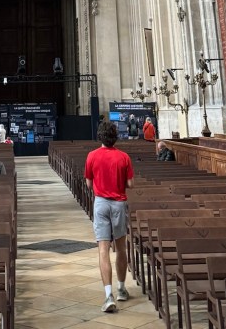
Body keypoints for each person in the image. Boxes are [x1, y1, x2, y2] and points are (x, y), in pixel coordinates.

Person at [84, 119, 134, 314]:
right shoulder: (123, 157)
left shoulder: (92, 156)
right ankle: (121, 289)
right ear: (115, 137)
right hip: (118, 203)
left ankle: (108, 295)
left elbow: (89, 184)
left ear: (100, 137)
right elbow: (130, 184)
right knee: (121, 248)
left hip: (101, 203)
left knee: (103, 250)